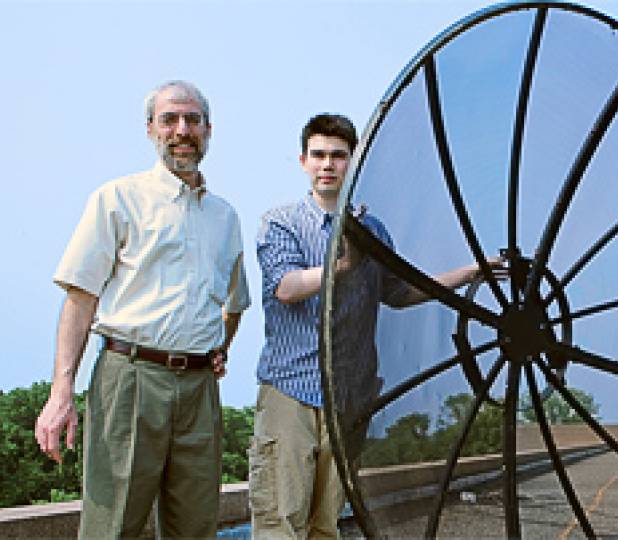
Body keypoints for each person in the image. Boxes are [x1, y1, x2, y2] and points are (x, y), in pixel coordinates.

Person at [250, 113, 500, 539]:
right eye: (318, 155)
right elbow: (286, 288)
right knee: (281, 520)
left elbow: (401, 292)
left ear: (353, 162)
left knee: (325, 524)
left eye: (338, 156)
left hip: (350, 396)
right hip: (292, 392)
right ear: (303, 161)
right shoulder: (281, 222)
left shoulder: (372, 230)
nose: (328, 165)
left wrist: (473, 271)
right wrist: (343, 265)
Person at [34, 80, 251, 538]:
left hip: (199, 390)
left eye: (193, 119)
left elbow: (235, 303)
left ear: (209, 129)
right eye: (169, 119)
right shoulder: (117, 199)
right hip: (130, 378)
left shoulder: (225, 218)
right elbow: (80, 298)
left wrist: (221, 347)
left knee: (195, 529)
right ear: (150, 128)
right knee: (114, 527)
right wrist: (61, 393)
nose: (182, 129)